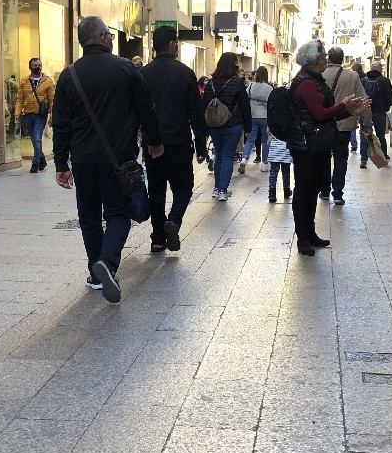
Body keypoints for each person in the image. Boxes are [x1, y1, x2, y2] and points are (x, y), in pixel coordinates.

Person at [52, 16, 162, 303]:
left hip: (83, 160)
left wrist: (61, 163)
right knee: (118, 214)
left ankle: (96, 272)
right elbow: (146, 108)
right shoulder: (125, 68)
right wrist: (154, 142)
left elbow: (61, 123)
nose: (112, 38)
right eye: (110, 34)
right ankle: (108, 264)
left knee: (89, 216)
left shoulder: (69, 75)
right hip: (119, 159)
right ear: (102, 36)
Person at [288, 39, 368, 255]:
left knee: (313, 189)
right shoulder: (306, 83)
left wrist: (350, 110)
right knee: (304, 190)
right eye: (323, 55)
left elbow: (326, 116)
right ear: (314, 59)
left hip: (317, 143)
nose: (326, 58)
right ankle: (302, 238)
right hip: (305, 145)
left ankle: (310, 233)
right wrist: (343, 105)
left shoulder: (316, 80)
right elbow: (319, 114)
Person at [139, 24, 207, 254]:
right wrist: (201, 146)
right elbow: (195, 113)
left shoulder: (143, 74)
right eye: (176, 42)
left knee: (156, 191)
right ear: (171, 44)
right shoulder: (185, 73)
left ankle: (158, 238)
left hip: (152, 144)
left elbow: (136, 111)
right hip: (179, 141)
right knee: (184, 186)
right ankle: (174, 220)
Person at [321, 47, 372, 204]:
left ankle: (324, 190)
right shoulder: (352, 76)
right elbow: (363, 102)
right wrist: (367, 125)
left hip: (323, 124)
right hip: (344, 125)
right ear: (342, 59)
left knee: (324, 158)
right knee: (341, 159)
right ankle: (337, 194)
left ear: (329, 58)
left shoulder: (320, 74)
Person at [202, 52, 251, 200]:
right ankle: (223, 190)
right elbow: (245, 105)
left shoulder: (211, 83)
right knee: (228, 155)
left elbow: (205, 105)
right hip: (233, 124)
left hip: (214, 125)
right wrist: (248, 126)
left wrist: (204, 127)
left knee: (219, 154)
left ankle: (217, 188)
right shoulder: (237, 82)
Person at [14, 56, 54, 173]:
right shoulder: (24, 81)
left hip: (40, 115)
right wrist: (17, 113)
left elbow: (52, 100)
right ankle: (42, 160)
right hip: (27, 114)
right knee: (34, 139)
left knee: (37, 138)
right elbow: (20, 99)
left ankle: (35, 163)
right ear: (30, 67)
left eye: (39, 65)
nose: (37, 67)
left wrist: (52, 115)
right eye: (35, 65)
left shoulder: (48, 82)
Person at [241, 66, 273, 173]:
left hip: (252, 116)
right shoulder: (269, 88)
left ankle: (244, 159)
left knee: (250, 139)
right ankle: (264, 164)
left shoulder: (251, 86)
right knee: (265, 141)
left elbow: (244, 99)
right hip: (265, 117)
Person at [361, 65, 392, 168]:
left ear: (371, 68)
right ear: (380, 69)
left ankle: (363, 160)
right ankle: (383, 158)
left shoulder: (363, 81)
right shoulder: (385, 81)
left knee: (365, 136)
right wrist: (385, 107)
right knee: (381, 136)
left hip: (365, 113)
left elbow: (359, 96)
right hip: (379, 113)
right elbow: (390, 97)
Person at [266, 129, 293, 204]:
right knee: (286, 172)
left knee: (273, 172)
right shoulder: (289, 122)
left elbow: (268, 132)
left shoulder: (273, 122)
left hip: (274, 149)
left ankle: (272, 194)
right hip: (286, 149)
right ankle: (286, 191)